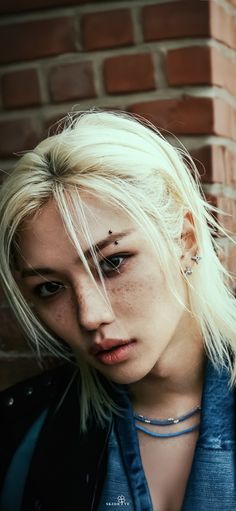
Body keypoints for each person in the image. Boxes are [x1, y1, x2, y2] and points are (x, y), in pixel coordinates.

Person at [0, 110, 235, 511]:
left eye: (113, 262)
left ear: (186, 240)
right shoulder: (19, 434)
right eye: (51, 288)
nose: (90, 317)